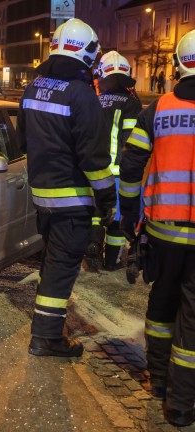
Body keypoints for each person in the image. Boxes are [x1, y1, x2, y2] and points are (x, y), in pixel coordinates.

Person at [17, 18, 116, 357]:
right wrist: (107, 200)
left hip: (42, 198)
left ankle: (46, 332)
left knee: (52, 264)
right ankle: (46, 339)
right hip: (72, 201)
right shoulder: (83, 95)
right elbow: (94, 158)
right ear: (88, 53)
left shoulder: (33, 87)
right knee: (60, 271)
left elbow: (22, 140)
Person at [118, 29, 195, 427]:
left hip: (164, 232)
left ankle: (160, 383)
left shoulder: (156, 111)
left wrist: (130, 218)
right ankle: (182, 405)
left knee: (161, 308)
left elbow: (131, 167)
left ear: (179, 64)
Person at [84, 51, 142, 272]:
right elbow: (131, 141)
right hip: (118, 172)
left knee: (97, 212)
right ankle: (113, 261)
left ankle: (93, 245)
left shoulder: (93, 101)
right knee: (116, 219)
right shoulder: (131, 104)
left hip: (93, 170)